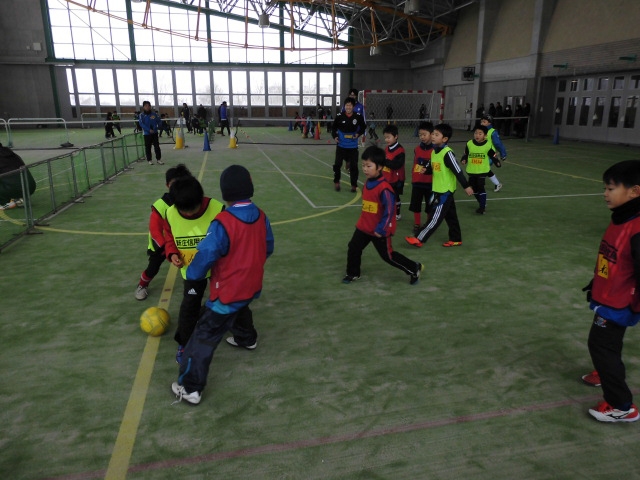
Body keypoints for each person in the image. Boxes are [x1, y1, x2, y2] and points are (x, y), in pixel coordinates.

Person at [171, 165, 274, 405]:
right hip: (251, 283)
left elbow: (205, 255)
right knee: (241, 306)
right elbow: (268, 246)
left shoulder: (222, 223)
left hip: (227, 290)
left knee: (203, 336)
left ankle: (191, 387)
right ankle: (246, 339)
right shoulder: (261, 215)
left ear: (225, 194)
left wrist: (194, 274)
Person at [580, 160, 640, 423]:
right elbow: (614, 260)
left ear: (634, 191)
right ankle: (605, 371)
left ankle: (621, 406)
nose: (605, 193)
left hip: (620, 303)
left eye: (611, 188)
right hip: (608, 296)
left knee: (601, 345)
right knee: (606, 346)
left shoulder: (637, 229)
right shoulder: (622, 218)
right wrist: (596, 283)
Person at [163, 176, 225, 364]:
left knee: (230, 300)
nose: (189, 214)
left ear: (201, 199)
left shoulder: (218, 209)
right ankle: (184, 343)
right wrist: (172, 253)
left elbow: (231, 238)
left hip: (218, 268)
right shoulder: (170, 214)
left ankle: (245, 335)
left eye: (193, 209)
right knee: (189, 306)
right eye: (184, 211)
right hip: (191, 271)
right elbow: (169, 238)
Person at [343, 146, 422, 286]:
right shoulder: (368, 182)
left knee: (388, 256)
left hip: (379, 230)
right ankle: (353, 273)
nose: (365, 169)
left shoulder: (384, 188)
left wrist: (381, 229)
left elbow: (390, 211)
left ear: (379, 167)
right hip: (364, 227)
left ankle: (413, 268)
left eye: (369, 166)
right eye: (363, 165)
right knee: (354, 247)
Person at [405, 123, 474, 248]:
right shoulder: (434, 152)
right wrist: (426, 170)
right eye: (433, 134)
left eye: (436, 135)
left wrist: (466, 186)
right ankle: (456, 238)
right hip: (438, 189)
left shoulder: (447, 153)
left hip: (445, 191)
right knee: (451, 216)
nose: (433, 136)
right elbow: (433, 166)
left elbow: (457, 170)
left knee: (434, 217)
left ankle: (419, 238)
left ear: (445, 139)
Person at [135, 164, 192, 301]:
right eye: (174, 183)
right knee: (153, 268)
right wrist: (167, 248)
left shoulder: (188, 200)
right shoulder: (160, 205)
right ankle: (142, 285)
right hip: (162, 244)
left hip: (181, 240)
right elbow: (155, 231)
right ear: (167, 185)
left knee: (195, 263)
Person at [460, 125, 500, 215]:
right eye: (476, 133)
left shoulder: (487, 145)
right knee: (473, 189)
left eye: (480, 133)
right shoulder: (469, 143)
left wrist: (496, 161)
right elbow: (466, 153)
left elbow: (492, 154)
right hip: (472, 170)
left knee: (481, 187)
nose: (477, 135)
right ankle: (482, 203)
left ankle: (482, 207)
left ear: (485, 136)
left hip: (482, 170)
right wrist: (464, 159)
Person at [332, 97, 366, 192]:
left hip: (353, 147)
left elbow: (363, 127)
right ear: (344, 106)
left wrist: (358, 134)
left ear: (353, 107)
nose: (348, 107)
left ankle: (354, 185)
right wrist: (335, 136)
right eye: (346, 105)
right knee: (337, 164)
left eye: (350, 105)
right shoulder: (339, 116)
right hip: (341, 146)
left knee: (354, 166)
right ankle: (337, 181)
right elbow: (333, 128)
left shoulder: (358, 116)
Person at [409, 122, 434, 236]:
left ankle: (429, 224)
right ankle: (417, 224)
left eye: (425, 134)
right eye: (420, 135)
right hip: (418, 182)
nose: (422, 137)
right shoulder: (417, 149)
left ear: (432, 134)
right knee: (416, 204)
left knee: (430, 205)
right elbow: (415, 165)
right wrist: (414, 178)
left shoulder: (435, 151)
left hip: (430, 183)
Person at [382, 124, 405, 221]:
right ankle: (387, 211)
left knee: (395, 196)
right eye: (385, 137)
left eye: (389, 137)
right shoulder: (387, 148)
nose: (387, 140)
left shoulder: (400, 150)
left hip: (396, 179)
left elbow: (396, 165)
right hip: (387, 177)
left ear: (396, 136)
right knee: (386, 195)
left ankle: (397, 213)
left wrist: (384, 161)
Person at [480, 114, 506, 192]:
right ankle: (482, 183)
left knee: (484, 169)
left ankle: (497, 184)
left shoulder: (493, 132)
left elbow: (498, 144)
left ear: (489, 123)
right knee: (484, 169)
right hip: (482, 154)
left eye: (484, 122)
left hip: (490, 155)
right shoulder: (481, 131)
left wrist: (503, 154)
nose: (482, 123)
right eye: (481, 121)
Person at [139, 101, 164, 165]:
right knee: (148, 147)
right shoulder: (141, 115)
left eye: (148, 106)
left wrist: (157, 127)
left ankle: (158, 159)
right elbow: (141, 124)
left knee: (157, 146)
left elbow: (159, 121)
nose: (147, 107)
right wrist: (148, 130)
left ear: (150, 107)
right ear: (143, 107)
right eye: (146, 106)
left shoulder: (154, 114)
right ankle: (149, 160)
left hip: (155, 133)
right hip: (147, 134)